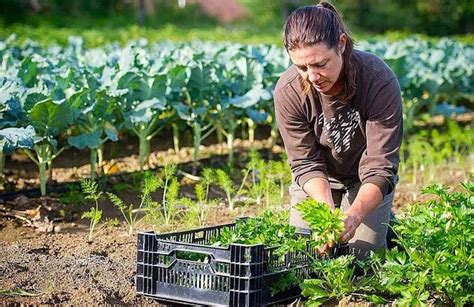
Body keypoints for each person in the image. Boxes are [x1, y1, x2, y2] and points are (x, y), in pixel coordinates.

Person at [274, 1, 403, 259]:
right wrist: (327, 214)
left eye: (320, 64)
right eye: (301, 67)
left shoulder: (377, 79)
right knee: (303, 256)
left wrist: (353, 217)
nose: (312, 76)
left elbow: (381, 165)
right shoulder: (288, 90)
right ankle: (377, 220)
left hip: (365, 179)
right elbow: (305, 163)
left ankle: (385, 223)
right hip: (317, 181)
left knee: (362, 259)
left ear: (341, 44)